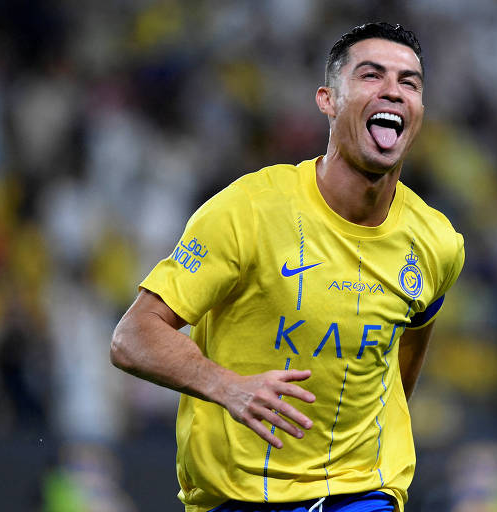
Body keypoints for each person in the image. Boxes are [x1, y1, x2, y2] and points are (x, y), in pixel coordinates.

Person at [110, 22, 464, 512]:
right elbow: (133, 337)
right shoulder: (248, 210)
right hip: (236, 497)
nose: (393, 91)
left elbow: (407, 356)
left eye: (410, 83)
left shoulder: (437, 242)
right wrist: (227, 386)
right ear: (327, 100)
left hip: (362, 493)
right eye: (371, 75)